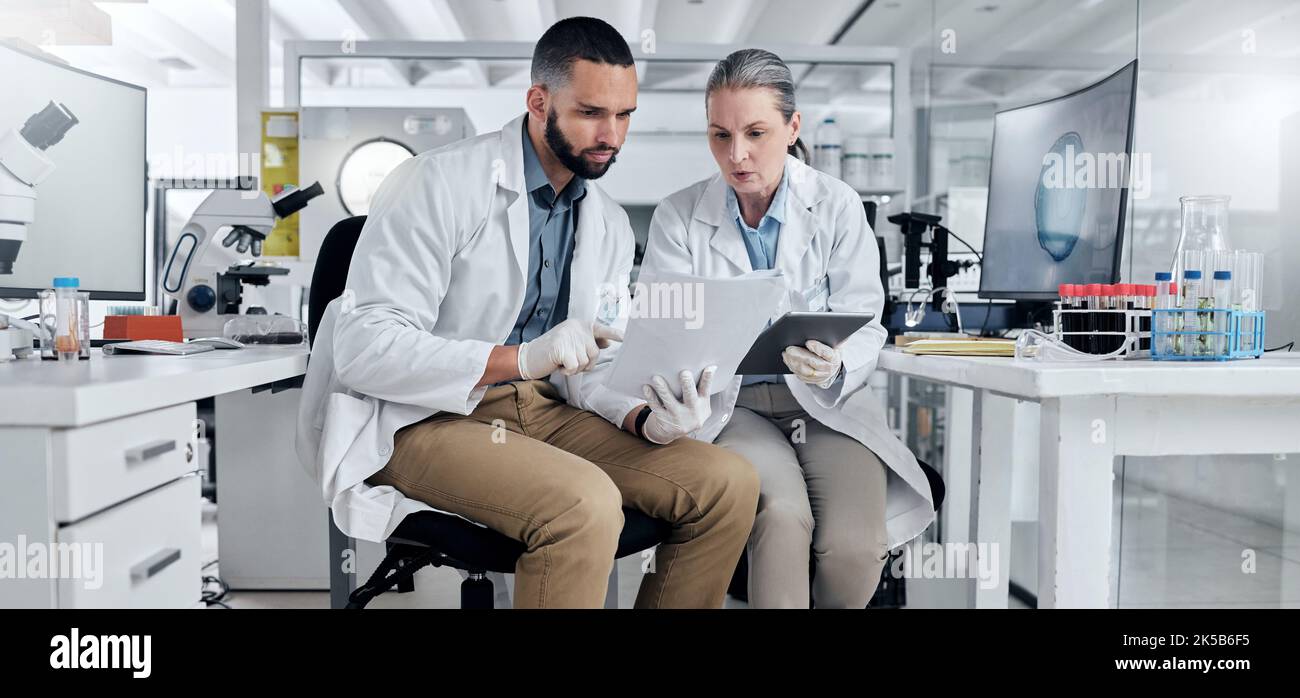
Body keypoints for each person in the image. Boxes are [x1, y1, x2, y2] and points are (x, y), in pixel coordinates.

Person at [297, 18, 758, 609]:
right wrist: (518, 358)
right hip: (426, 416)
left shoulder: (608, 222)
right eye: (592, 112)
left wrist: (645, 419)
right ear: (538, 101)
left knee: (728, 483)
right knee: (583, 504)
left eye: (624, 116)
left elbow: (593, 362)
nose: (611, 135)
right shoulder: (437, 183)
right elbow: (363, 348)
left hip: (545, 409)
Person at [638, 49, 934, 608]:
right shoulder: (678, 217)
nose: (737, 154)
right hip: (733, 407)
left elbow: (868, 319)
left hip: (825, 403)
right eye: (720, 135)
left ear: (793, 126)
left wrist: (837, 363)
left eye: (756, 132)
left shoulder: (837, 206)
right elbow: (665, 330)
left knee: (852, 548)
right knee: (781, 516)